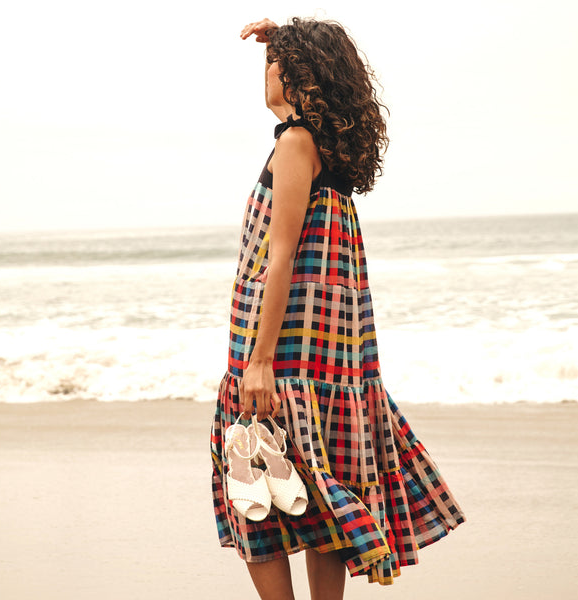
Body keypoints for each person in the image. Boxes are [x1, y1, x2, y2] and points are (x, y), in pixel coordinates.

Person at [210, 17, 466, 600]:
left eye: (275, 64)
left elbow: (279, 257)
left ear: (298, 76)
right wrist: (282, 38)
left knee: (253, 484)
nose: (266, 73)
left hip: (282, 346)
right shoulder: (324, 149)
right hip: (329, 353)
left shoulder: (294, 143)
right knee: (318, 484)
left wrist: (259, 360)